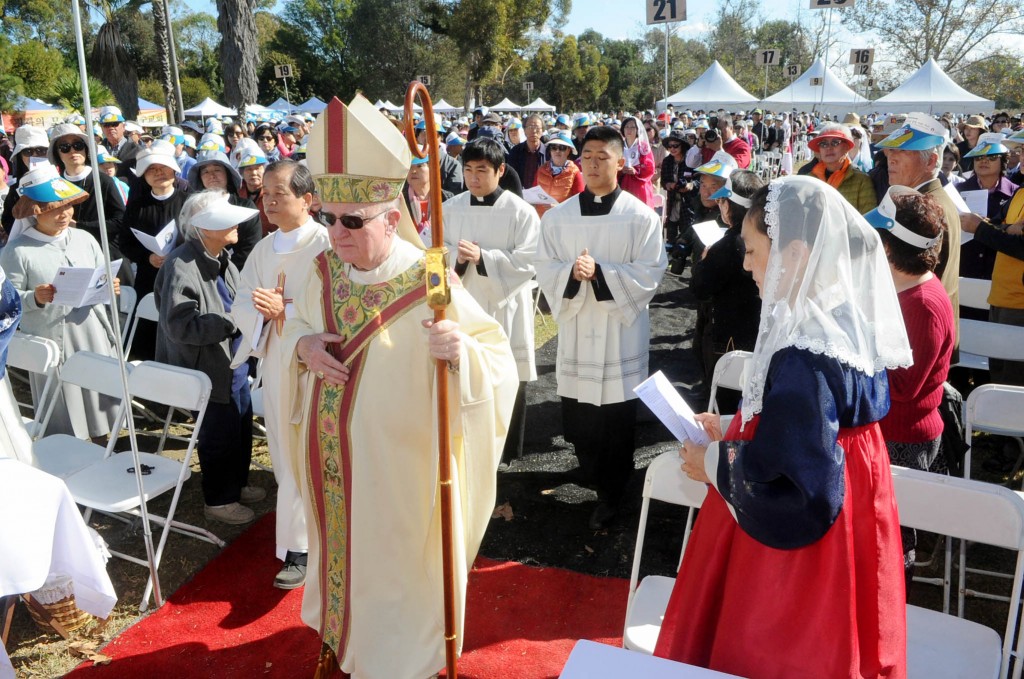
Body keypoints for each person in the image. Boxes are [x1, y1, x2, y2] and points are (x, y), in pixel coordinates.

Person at [281, 94, 517, 679]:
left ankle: (398, 664)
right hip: (334, 468)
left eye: (352, 222)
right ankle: (346, 645)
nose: (336, 233)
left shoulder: (429, 280)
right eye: (329, 219)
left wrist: (461, 354)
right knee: (347, 567)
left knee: (393, 576)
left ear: (391, 217)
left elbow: (497, 359)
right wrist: (302, 348)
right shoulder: (323, 272)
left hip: (403, 476)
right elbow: (302, 331)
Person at [654, 176, 911, 678]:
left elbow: (798, 477)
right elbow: (823, 425)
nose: (746, 263)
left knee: (781, 650)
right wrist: (736, 422)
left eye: (751, 250)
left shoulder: (803, 351)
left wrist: (712, 461)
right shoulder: (843, 323)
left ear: (794, 252)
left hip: (802, 554)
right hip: (853, 515)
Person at [536, 125, 667, 531]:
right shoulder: (558, 219)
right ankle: (590, 469)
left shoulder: (641, 217)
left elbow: (651, 271)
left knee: (615, 420)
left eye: (602, 157)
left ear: (620, 161)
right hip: (578, 331)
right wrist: (571, 275)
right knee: (580, 419)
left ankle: (613, 492)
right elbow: (544, 267)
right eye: (587, 156)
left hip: (619, 332)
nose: (592, 164)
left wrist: (602, 273)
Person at [230, 159, 329, 587]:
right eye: (264, 193)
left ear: (308, 200)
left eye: (279, 193)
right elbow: (239, 302)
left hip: (315, 370)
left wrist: (284, 309)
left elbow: (332, 306)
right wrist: (264, 314)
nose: (268, 200)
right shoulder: (263, 248)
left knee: (313, 454)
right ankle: (297, 542)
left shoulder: (326, 244)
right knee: (285, 454)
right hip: (276, 363)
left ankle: (312, 544)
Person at [155, 190, 265, 524]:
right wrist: (234, 322)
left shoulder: (221, 256)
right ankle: (219, 500)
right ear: (203, 228)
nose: (234, 224)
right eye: (224, 219)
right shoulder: (182, 264)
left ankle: (237, 484)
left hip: (231, 362)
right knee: (218, 434)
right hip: (208, 368)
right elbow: (181, 326)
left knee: (240, 423)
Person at [867, 186, 955, 587]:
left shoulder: (921, 303)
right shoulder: (906, 289)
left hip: (903, 437)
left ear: (888, 248)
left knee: (893, 538)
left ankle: (892, 608)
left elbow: (903, 384)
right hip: (892, 430)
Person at [0, 164, 121, 439]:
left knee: (100, 388)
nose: (63, 214)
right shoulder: (17, 251)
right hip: (53, 336)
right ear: (34, 211)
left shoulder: (84, 238)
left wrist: (109, 285)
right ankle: (68, 446)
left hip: (91, 328)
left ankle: (106, 440)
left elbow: (102, 272)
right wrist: (35, 298)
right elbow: (7, 299)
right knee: (65, 399)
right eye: (53, 208)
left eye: (67, 206)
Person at [442, 136, 540, 466]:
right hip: (463, 306)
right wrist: (458, 257)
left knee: (506, 375)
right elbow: (432, 252)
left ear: (500, 171)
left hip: (505, 309)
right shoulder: (450, 209)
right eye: (468, 170)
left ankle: (507, 452)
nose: (473, 178)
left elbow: (529, 260)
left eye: (482, 170)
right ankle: (465, 442)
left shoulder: (521, 212)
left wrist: (483, 257)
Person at [879, 113, 961, 359]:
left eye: (903, 151)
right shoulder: (931, 201)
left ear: (931, 161)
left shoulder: (924, 208)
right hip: (924, 334)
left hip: (915, 339)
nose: (890, 157)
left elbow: (913, 279)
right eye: (890, 150)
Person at [691, 170, 765, 413]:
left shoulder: (729, 243)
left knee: (725, 404)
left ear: (731, 205)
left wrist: (704, 261)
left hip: (729, 338)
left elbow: (700, 288)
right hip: (758, 331)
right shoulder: (765, 236)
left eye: (722, 201)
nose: (719, 206)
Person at [121, 140, 192, 359]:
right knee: (146, 332)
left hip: (184, 276)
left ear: (174, 169)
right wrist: (147, 257)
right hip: (148, 276)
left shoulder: (189, 202)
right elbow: (125, 241)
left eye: (163, 167)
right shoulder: (137, 206)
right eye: (152, 169)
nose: (158, 173)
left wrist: (176, 254)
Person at [47, 123, 134, 286]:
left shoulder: (103, 181)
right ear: (57, 154)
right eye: (65, 147)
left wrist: (79, 226)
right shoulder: (55, 184)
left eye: (78, 145)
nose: (73, 151)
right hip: (70, 257)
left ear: (86, 149)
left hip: (108, 255)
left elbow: (121, 221)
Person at [187, 149, 262, 271]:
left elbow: (250, 249)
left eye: (217, 170)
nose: (212, 175)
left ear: (228, 174)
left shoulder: (246, 207)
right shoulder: (194, 209)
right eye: (205, 171)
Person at [806, 124, 876, 214]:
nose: (829, 148)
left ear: (846, 147)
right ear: (819, 150)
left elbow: (868, 220)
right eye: (823, 144)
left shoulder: (862, 181)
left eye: (835, 143)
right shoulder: (810, 179)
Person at [1, 125, 50, 239]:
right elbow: (8, 220)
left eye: (41, 150)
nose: (34, 155)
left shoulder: (63, 181)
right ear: (20, 156)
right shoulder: (15, 188)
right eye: (27, 151)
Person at [534, 131, 584, 217]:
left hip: (563, 222)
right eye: (554, 147)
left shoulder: (575, 172)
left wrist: (559, 208)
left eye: (562, 147)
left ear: (568, 150)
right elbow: (533, 194)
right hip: (541, 221)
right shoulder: (541, 170)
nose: (557, 151)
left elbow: (580, 202)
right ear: (550, 150)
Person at [619, 115, 656, 208]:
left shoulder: (643, 147)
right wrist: (620, 169)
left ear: (638, 130)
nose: (629, 129)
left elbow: (650, 167)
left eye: (632, 127)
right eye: (626, 127)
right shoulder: (619, 146)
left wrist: (636, 171)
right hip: (623, 182)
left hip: (639, 185)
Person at [236, 148, 274, 237]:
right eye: (248, 169)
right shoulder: (236, 194)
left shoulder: (274, 193)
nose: (253, 173)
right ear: (242, 173)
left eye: (257, 168)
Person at [506, 114, 546, 189]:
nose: (534, 131)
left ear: (542, 130)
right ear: (524, 130)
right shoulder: (515, 152)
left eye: (537, 127)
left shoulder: (549, 152)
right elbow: (510, 178)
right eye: (530, 127)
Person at [98, 106, 140, 178]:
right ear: (101, 128)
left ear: (123, 127)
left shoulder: (137, 151)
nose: (111, 128)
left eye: (115, 124)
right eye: (106, 125)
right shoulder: (97, 151)